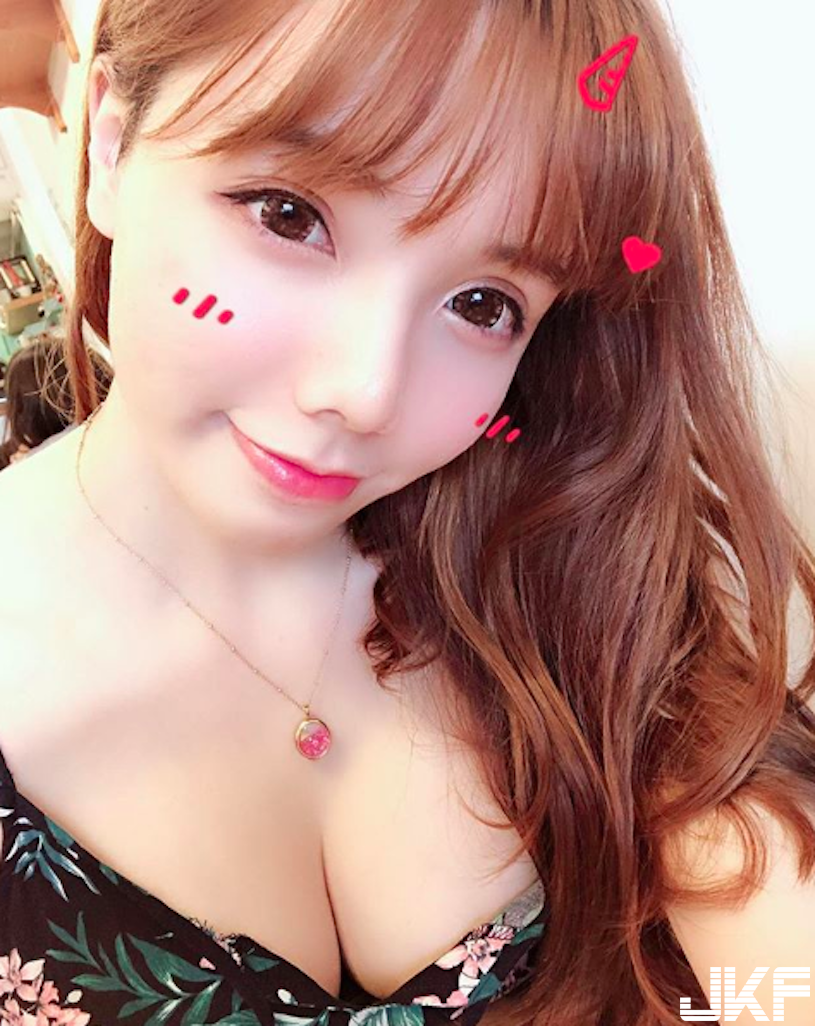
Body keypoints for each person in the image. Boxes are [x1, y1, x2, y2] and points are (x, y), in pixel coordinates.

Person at [0, 1, 813, 1024]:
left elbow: (769, 924)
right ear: (111, 145)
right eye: (287, 214)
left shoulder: (546, 553)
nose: (366, 392)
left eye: (482, 304)